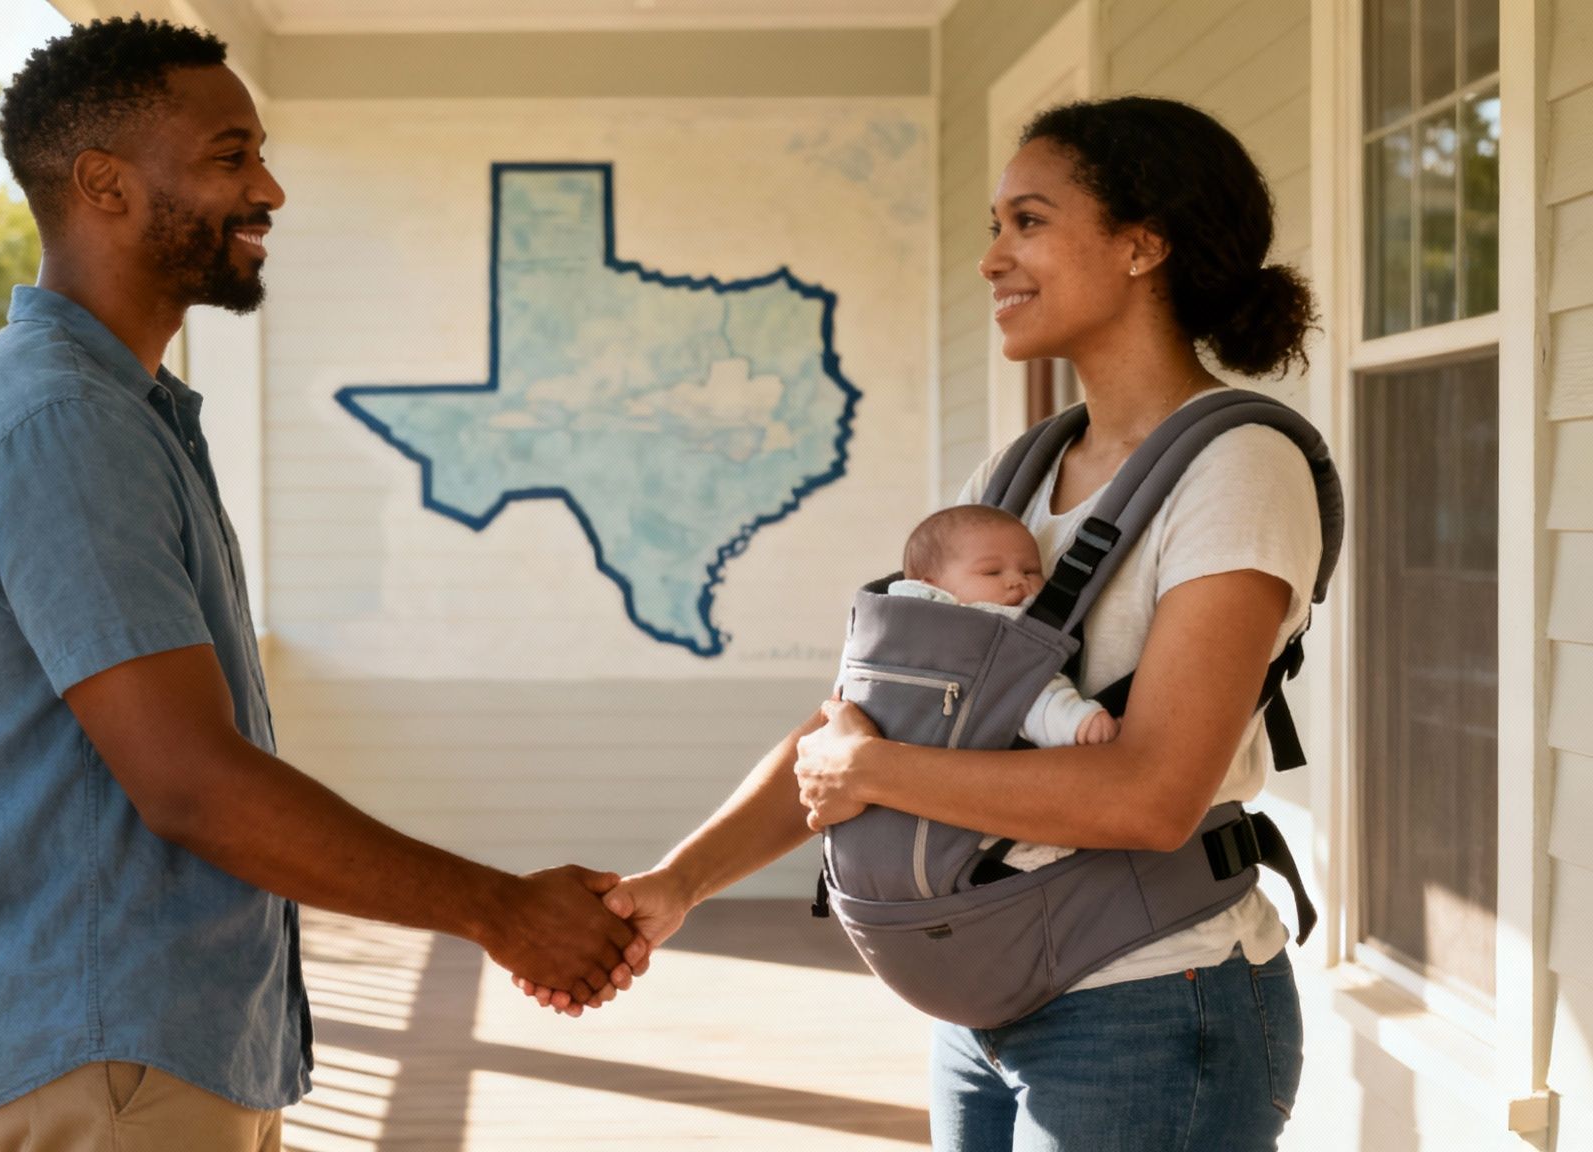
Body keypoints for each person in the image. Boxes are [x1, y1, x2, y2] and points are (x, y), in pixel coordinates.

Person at [524, 95, 1319, 1150]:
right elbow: (857, 729)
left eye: (1027, 222)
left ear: (1142, 245)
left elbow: (1152, 794)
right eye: (995, 225)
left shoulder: (1237, 469)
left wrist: (874, 774)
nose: (991, 259)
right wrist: (679, 885)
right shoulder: (1016, 475)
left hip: (1149, 1004)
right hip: (984, 993)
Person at [0, 18, 645, 1151]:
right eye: (230, 157)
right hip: (117, 1055)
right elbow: (190, 783)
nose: (269, 190)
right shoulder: (66, 423)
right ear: (104, 184)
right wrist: (501, 911)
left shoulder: (124, 411)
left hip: (166, 1045)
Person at [882, 503, 1117, 874]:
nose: (1017, 581)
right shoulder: (990, 633)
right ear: (931, 587)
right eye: (992, 571)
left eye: (1031, 571)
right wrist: (1076, 720)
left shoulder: (893, 627)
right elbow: (1032, 693)